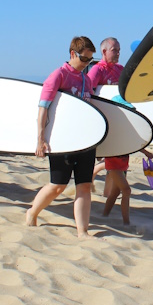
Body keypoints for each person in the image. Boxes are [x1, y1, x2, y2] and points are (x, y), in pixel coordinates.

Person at [27, 36, 99, 238]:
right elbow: (43, 107)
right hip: (62, 140)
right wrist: (40, 139)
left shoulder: (86, 79)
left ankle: (82, 231)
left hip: (85, 141)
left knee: (84, 185)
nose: (86, 65)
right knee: (58, 185)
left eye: (90, 61)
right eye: (84, 59)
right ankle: (32, 212)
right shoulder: (58, 75)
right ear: (73, 54)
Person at [86, 37, 152, 226]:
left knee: (116, 187)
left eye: (119, 49)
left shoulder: (120, 69)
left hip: (122, 121)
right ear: (104, 52)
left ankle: (106, 212)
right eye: (114, 50)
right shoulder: (97, 70)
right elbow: (89, 95)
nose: (118, 53)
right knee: (121, 185)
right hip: (110, 123)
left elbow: (130, 88)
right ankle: (123, 220)